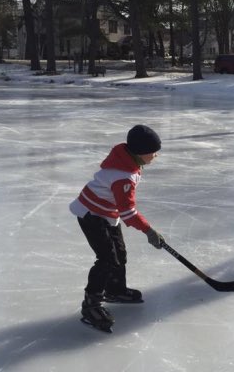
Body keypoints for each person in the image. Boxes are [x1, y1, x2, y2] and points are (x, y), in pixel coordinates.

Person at [69, 124, 165, 332]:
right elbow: (128, 212)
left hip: (106, 212)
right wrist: (149, 231)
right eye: (153, 152)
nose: (155, 156)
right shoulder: (123, 177)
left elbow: (123, 208)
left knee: (119, 252)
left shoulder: (128, 160)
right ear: (140, 152)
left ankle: (115, 289)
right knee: (106, 259)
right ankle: (90, 306)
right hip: (91, 214)